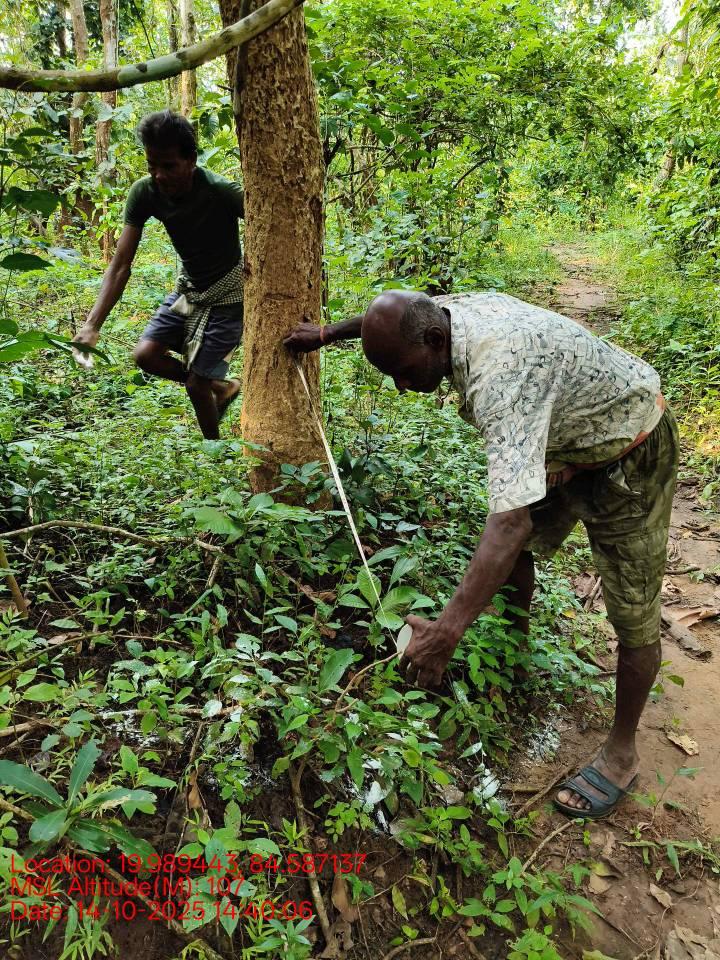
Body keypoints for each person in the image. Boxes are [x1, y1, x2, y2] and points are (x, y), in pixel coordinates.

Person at [285, 290, 679, 820]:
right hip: (564, 440)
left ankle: (621, 754)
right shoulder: (440, 315)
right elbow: (388, 319)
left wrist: (445, 633)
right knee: (515, 553)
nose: (401, 386)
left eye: (404, 372)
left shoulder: (501, 378)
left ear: (435, 340)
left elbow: (508, 524)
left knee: (632, 611)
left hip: (631, 444)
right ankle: (516, 653)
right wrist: (328, 333)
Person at [73, 109, 245, 440]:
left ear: (191, 160)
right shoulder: (145, 192)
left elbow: (271, 220)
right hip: (189, 291)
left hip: (228, 297)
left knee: (196, 384)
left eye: (169, 166)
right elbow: (121, 264)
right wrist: (92, 325)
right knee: (146, 356)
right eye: (151, 165)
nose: (159, 175)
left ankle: (215, 451)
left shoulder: (220, 190)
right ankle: (222, 387)